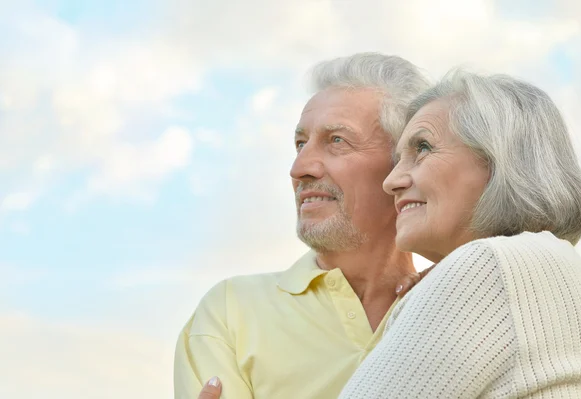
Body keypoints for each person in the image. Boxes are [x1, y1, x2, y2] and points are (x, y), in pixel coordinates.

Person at [174, 53, 431, 399]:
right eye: (300, 144)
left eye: (336, 141)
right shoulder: (230, 311)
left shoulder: (457, 306)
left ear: (403, 164)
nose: (299, 167)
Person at [337, 71, 581, 397]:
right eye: (397, 159)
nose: (391, 181)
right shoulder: (556, 268)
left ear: (500, 161)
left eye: (422, 147)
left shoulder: (489, 265)